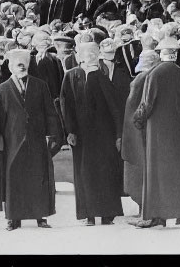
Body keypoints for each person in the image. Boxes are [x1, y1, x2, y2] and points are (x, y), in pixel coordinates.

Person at [0, 47, 63, 231]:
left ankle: (40, 216)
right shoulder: (2, 89)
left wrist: (53, 135)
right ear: (10, 66)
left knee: (37, 176)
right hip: (12, 141)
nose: (22, 67)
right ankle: (13, 218)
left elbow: (50, 113)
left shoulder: (40, 85)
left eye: (24, 64)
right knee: (13, 179)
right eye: (18, 64)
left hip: (36, 140)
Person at [132, 35, 180, 228]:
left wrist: (138, 120)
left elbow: (147, 103)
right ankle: (178, 212)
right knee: (175, 168)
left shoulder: (154, 74)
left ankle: (155, 215)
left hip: (156, 127)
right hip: (175, 128)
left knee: (155, 170)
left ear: (161, 53)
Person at [60, 41, 124, 225]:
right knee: (84, 174)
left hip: (104, 136)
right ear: (78, 55)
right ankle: (88, 214)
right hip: (81, 136)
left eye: (93, 53)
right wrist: (70, 130)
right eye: (85, 53)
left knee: (105, 173)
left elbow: (115, 108)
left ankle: (106, 213)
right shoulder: (71, 76)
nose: (89, 56)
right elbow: (66, 105)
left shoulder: (102, 76)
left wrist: (118, 134)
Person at [121, 49, 159, 218]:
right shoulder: (151, 77)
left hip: (136, 130)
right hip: (142, 129)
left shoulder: (143, 79)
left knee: (138, 171)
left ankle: (145, 209)